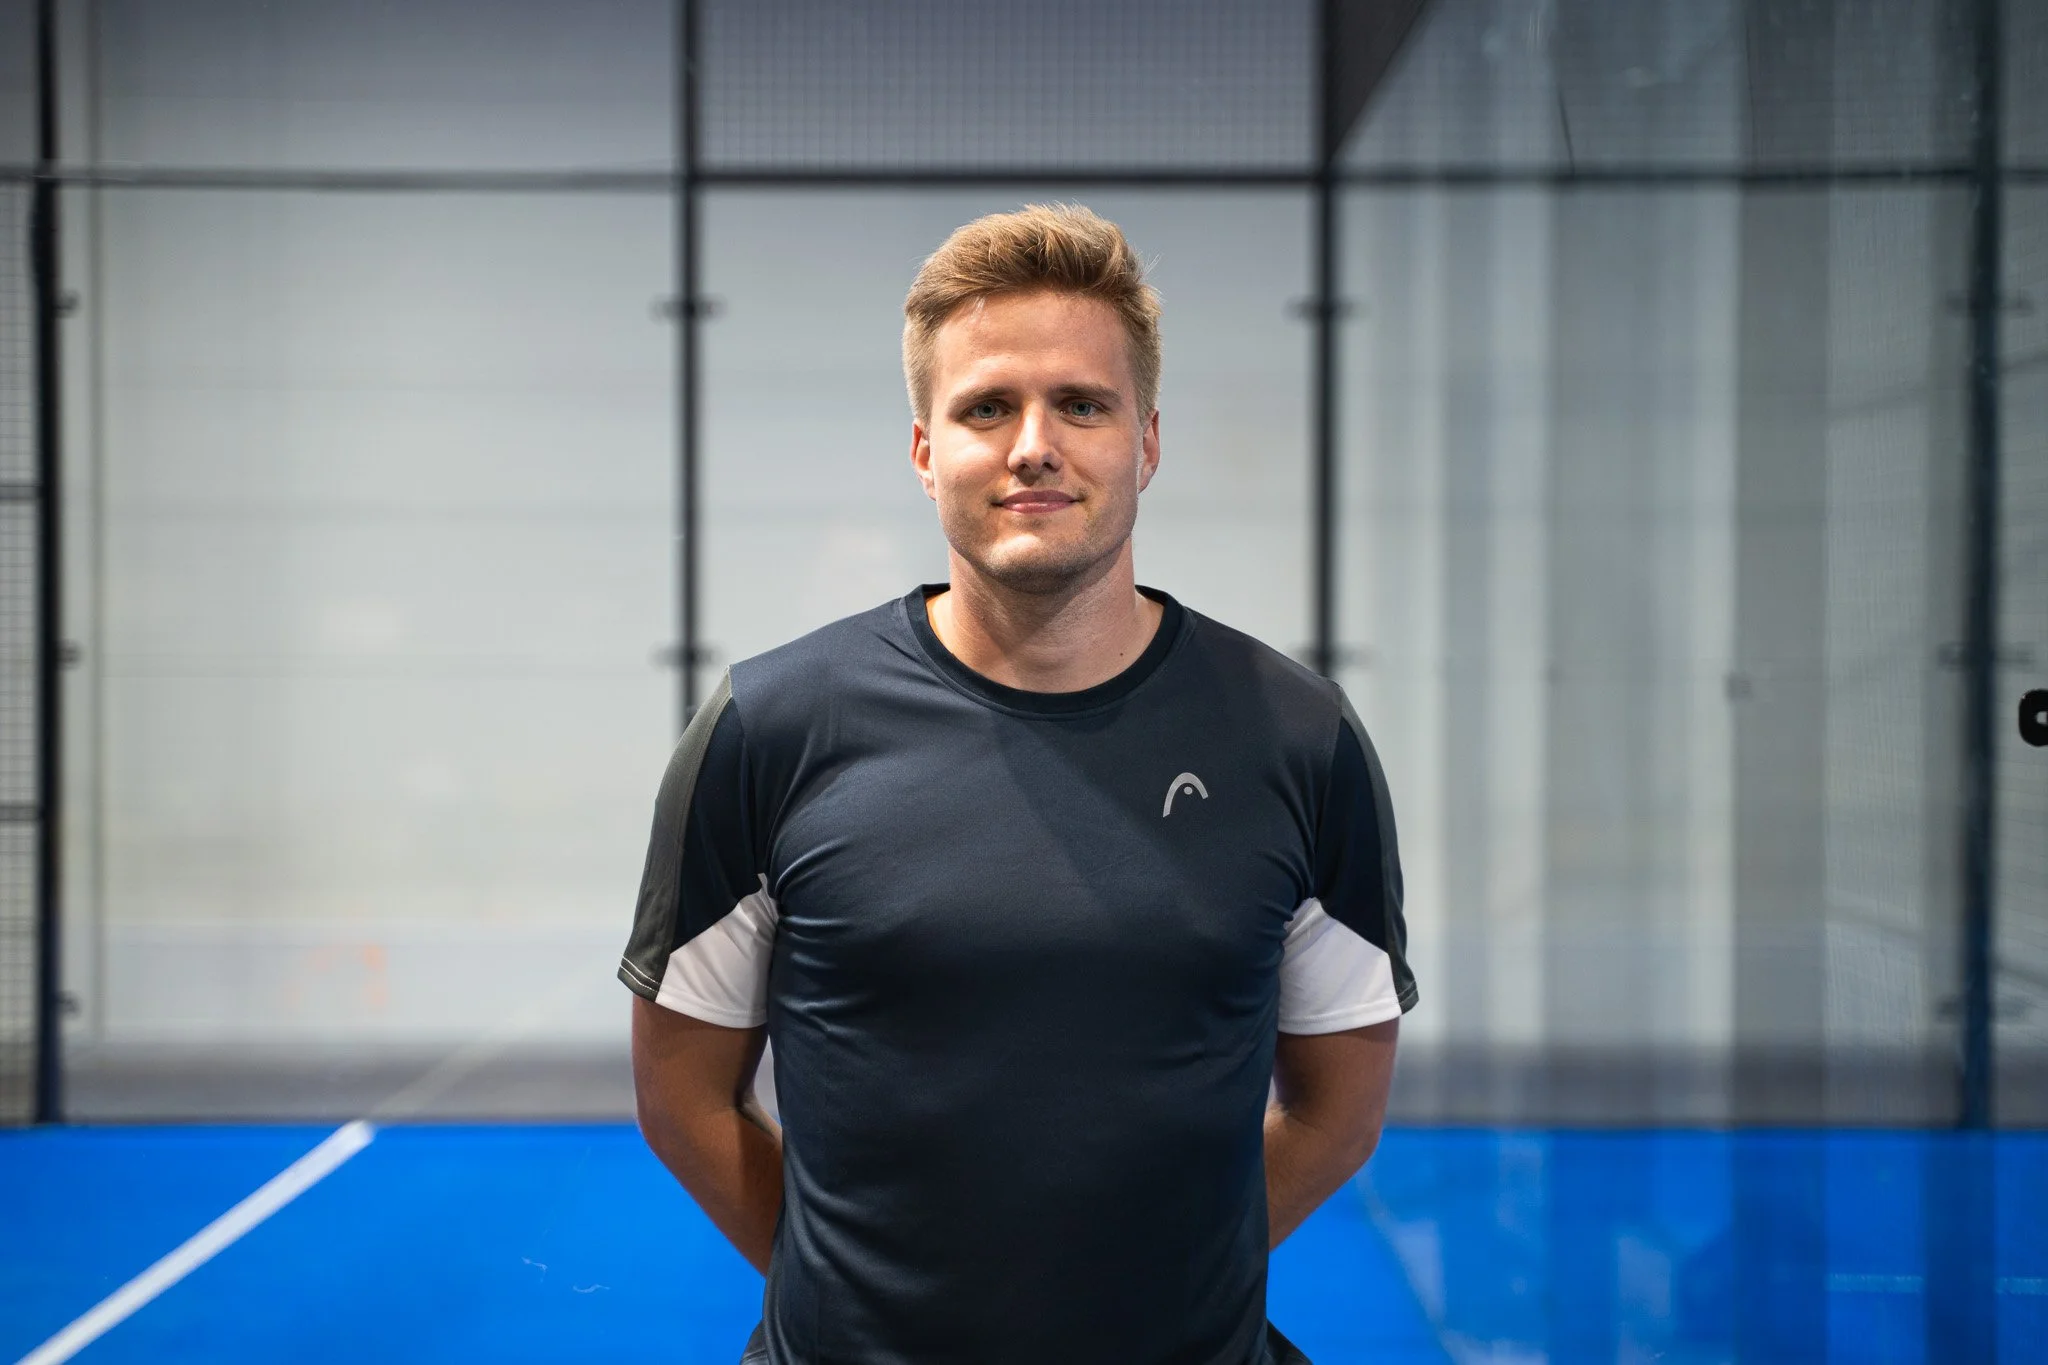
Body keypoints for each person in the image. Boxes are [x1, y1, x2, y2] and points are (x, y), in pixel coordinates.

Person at [619, 203, 1415, 1365]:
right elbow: (683, 1101)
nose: (1031, 443)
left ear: (1144, 441)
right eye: (985, 406)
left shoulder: (1298, 738)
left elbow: (1339, 1110)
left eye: (1080, 404)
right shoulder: (770, 727)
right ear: (924, 449)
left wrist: (1157, 1296)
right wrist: (866, 1304)